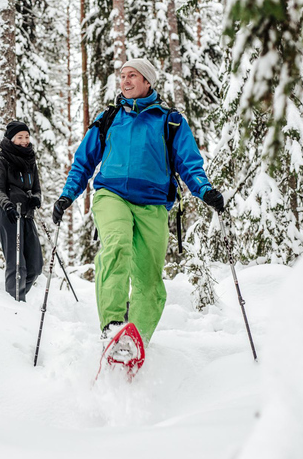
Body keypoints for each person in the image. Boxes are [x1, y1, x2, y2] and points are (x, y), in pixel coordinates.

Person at [51, 58, 224, 344]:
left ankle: (136, 341)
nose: (126, 81)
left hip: (153, 204)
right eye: (122, 76)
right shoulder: (108, 119)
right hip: (112, 195)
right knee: (116, 246)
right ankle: (113, 326)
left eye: (133, 75)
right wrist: (68, 195)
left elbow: (190, 164)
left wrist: (205, 190)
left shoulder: (170, 121)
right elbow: (83, 162)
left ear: (147, 81)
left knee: (150, 280)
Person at [0, 121, 44, 302]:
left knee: (35, 267)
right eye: (20, 137)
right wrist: (7, 205)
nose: (24, 141)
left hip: (27, 216)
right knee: (17, 266)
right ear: (11, 139)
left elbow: (37, 188)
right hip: (8, 215)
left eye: (27, 137)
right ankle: (15, 305)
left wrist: (36, 197)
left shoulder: (30, 161)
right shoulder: (1, 161)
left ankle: (15, 298)